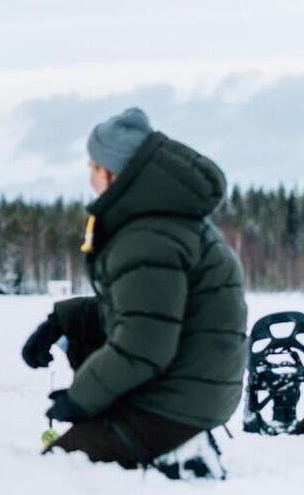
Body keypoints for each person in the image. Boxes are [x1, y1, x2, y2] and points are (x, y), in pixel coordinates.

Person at [22, 108, 247, 469]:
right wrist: (63, 320)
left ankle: (181, 447)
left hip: (181, 403)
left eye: (93, 166)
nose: (90, 175)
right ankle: (151, 433)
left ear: (111, 173)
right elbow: (143, 308)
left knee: (61, 467)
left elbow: (144, 343)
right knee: (83, 334)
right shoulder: (159, 221)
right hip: (195, 385)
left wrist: (80, 400)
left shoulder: (147, 236)